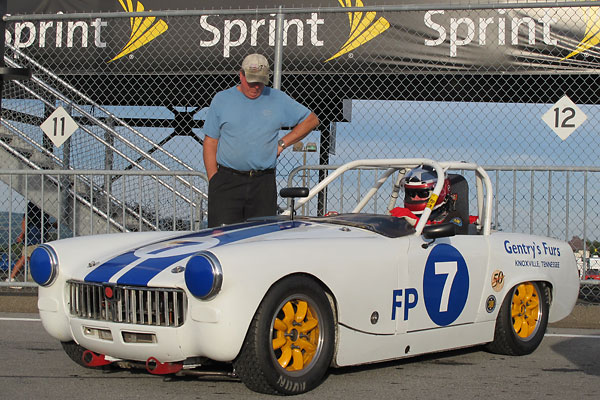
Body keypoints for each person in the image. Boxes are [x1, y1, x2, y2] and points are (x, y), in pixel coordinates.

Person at [203, 53, 319, 227]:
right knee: (222, 239)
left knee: (259, 239)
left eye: (260, 82)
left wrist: (282, 144)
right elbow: (210, 142)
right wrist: (214, 180)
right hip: (227, 182)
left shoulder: (277, 98)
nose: (255, 87)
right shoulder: (222, 99)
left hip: (262, 183)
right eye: (251, 81)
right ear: (241, 75)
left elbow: (311, 120)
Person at [390, 165, 476, 233]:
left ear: (440, 192)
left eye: (423, 193)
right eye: (411, 193)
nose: (415, 198)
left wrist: (416, 224)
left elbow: (452, 233)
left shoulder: (452, 217)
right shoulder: (404, 216)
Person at [6, 202, 53, 282]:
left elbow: (43, 223)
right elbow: (25, 220)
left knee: (31, 258)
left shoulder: (44, 207)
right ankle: (11, 277)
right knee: (26, 257)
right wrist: (22, 234)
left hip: (39, 236)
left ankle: (32, 279)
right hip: (32, 236)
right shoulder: (33, 205)